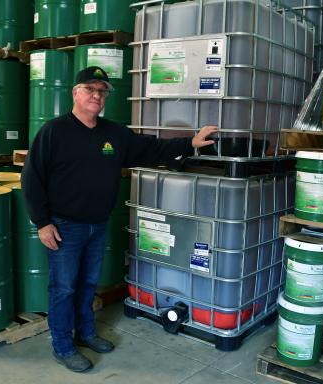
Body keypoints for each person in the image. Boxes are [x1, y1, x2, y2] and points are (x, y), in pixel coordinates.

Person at [21, 66, 216, 373]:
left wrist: (190, 142)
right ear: (75, 93)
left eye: (102, 91)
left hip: (97, 224)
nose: (96, 96)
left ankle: (85, 333)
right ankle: (62, 345)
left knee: (87, 285)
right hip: (63, 227)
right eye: (90, 89)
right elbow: (31, 179)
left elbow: (152, 147)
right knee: (63, 289)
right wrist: (42, 223)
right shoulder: (54, 131)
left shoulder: (114, 134)